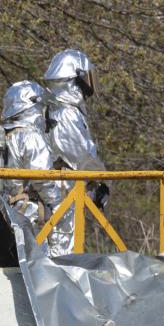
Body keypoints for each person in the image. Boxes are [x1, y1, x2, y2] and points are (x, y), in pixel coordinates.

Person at [42, 49, 108, 255]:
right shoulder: (66, 113)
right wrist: (102, 183)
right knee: (63, 250)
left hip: (58, 189)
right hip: (61, 191)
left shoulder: (56, 108)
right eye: (87, 77)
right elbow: (83, 155)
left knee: (58, 246)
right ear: (75, 80)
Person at [0, 80, 61, 240]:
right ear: (33, 107)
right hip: (28, 213)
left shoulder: (1, 135)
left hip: (3, 209)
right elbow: (43, 179)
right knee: (37, 261)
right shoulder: (30, 136)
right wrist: (59, 205)